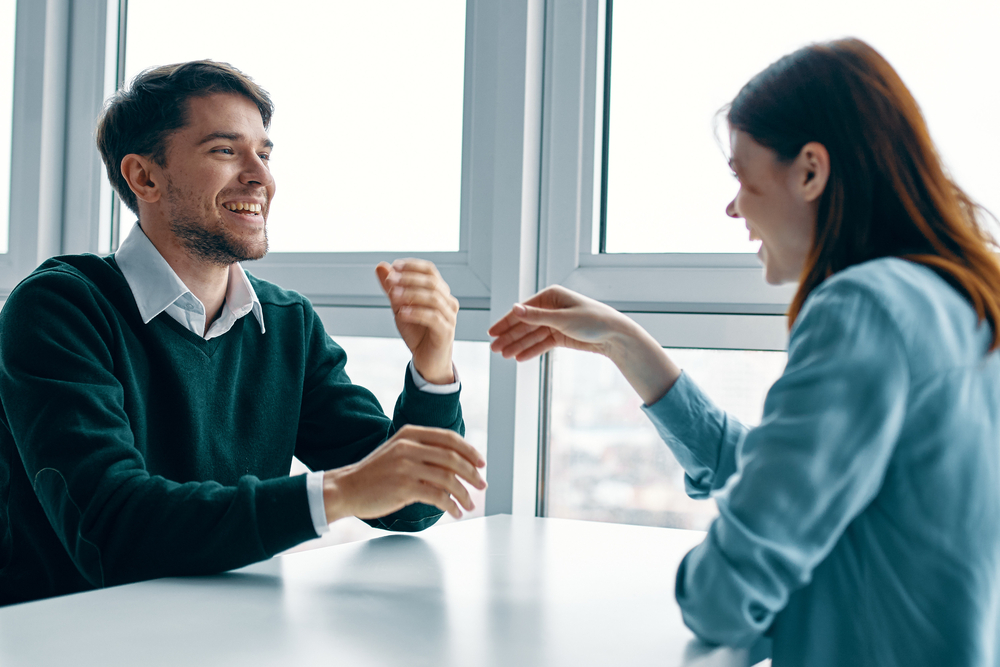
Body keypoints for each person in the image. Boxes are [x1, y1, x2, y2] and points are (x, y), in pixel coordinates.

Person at [489, 38, 1000, 666]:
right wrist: (627, 343)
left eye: (742, 176)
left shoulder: (862, 310)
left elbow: (723, 594)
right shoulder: (961, 301)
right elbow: (794, 479)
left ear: (810, 171)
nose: (733, 208)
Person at [0, 60, 486, 607]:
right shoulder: (59, 308)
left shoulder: (287, 323)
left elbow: (410, 506)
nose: (261, 177)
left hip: (232, 628)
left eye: (265, 154)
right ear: (144, 177)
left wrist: (432, 366)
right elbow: (113, 531)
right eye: (225, 150)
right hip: (64, 636)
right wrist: (341, 492)